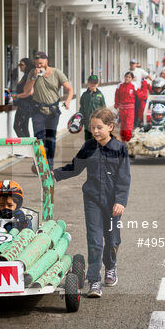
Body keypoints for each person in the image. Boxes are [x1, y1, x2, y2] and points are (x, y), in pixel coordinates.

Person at [53, 107, 131, 297]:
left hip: (113, 203)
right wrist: (52, 175)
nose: (95, 131)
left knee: (112, 240)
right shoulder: (88, 147)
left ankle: (111, 266)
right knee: (95, 241)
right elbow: (74, 168)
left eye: (99, 127)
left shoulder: (120, 149)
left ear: (110, 127)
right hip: (93, 200)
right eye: (92, 128)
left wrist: (120, 201)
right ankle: (95, 281)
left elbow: (124, 178)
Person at [23, 51, 73, 169]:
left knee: (50, 139)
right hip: (38, 110)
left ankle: (49, 166)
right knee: (38, 138)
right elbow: (26, 90)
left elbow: (69, 89)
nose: (39, 66)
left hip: (53, 111)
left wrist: (68, 101)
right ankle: (40, 163)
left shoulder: (56, 73)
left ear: (47, 61)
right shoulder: (32, 73)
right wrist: (34, 77)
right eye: (36, 64)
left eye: (40, 63)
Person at [79, 74, 107, 140]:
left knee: (96, 139)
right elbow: (82, 107)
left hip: (97, 122)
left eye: (95, 83)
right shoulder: (84, 95)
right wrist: (80, 117)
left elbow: (103, 108)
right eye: (91, 83)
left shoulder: (99, 95)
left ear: (97, 84)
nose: (93, 85)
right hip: (87, 122)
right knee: (88, 139)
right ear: (88, 83)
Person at [115, 71, 138, 141]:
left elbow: (139, 95)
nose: (127, 78)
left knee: (129, 125)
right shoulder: (120, 86)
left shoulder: (134, 86)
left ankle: (128, 140)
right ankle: (123, 140)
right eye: (126, 76)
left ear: (132, 79)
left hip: (130, 109)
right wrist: (116, 105)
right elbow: (117, 96)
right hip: (122, 109)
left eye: (129, 77)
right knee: (123, 125)